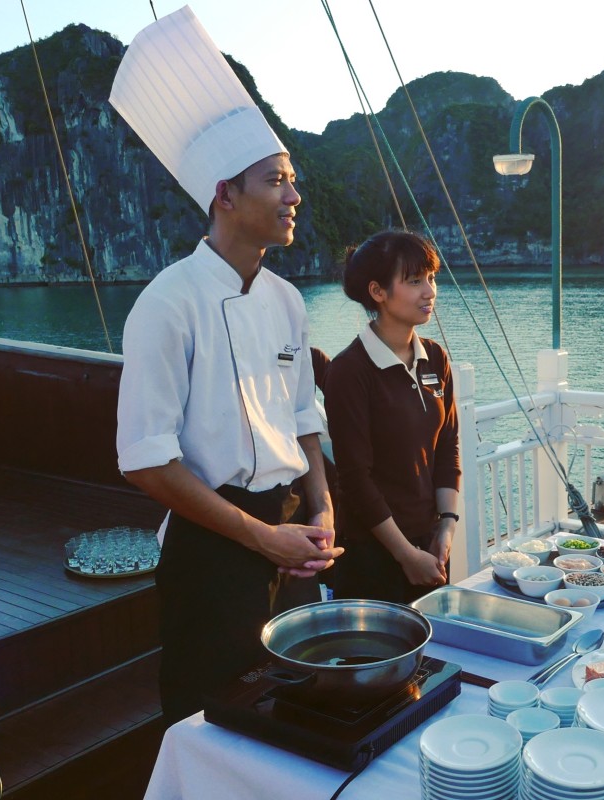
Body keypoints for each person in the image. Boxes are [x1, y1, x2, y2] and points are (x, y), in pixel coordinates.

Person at [109, 8, 342, 726]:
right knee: (212, 719)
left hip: (291, 531)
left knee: (302, 711)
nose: (294, 196)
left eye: (293, 180)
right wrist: (256, 536)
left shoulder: (286, 301)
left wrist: (323, 512)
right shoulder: (166, 303)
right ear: (225, 194)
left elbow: (303, 420)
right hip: (213, 545)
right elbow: (146, 461)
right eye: (277, 180)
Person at [325, 231, 461, 604]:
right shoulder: (350, 370)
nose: (429, 291)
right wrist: (405, 555)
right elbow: (355, 477)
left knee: (438, 659)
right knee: (376, 660)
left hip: (431, 548)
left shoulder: (435, 358)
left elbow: (447, 447)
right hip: (374, 554)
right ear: (378, 292)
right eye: (415, 281)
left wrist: (446, 526)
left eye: (431, 278)